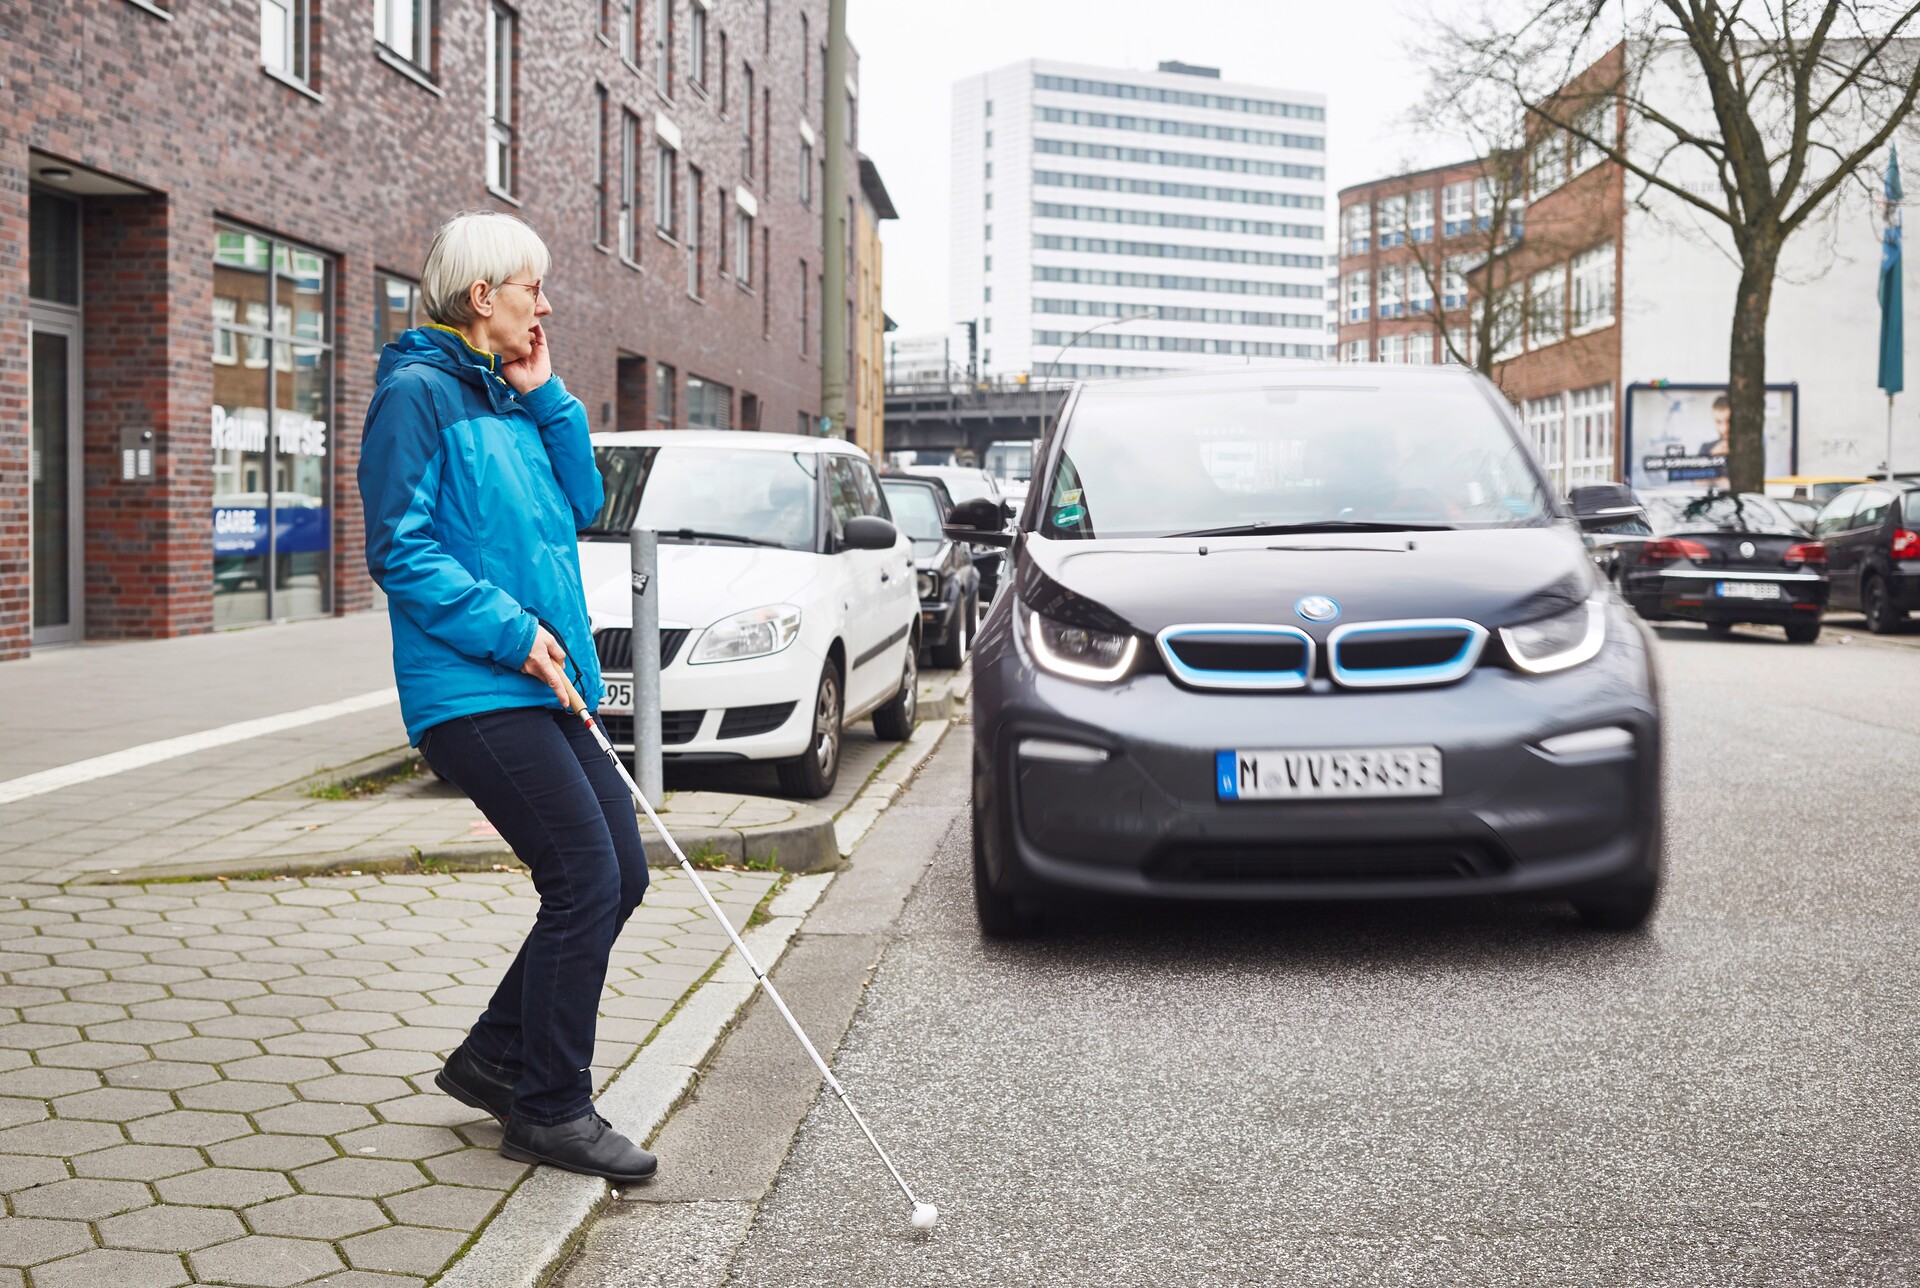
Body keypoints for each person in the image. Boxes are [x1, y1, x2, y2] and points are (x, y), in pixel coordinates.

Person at [358, 211, 655, 1185]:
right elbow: (400, 551)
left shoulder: (508, 396)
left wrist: (550, 394)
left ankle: (496, 1054)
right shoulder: (415, 396)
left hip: (543, 682)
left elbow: (586, 503)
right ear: (483, 297)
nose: (547, 301)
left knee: (624, 868)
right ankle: (551, 1107)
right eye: (533, 285)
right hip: (473, 685)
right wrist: (506, 628)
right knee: (583, 875)